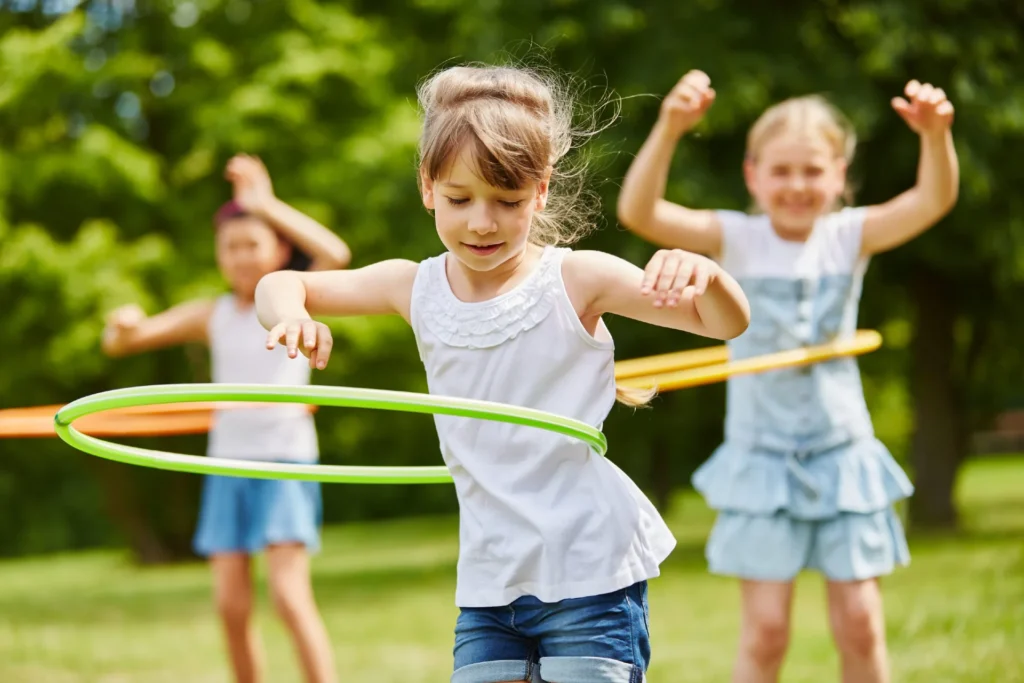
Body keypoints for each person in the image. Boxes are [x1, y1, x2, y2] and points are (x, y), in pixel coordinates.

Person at [254, 63, 750, 683]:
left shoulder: (578, 279)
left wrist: (708, 274)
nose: (481, 222)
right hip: (490, 584)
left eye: (507, 201)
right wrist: (293, 316)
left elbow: (723, 323)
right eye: (460, 199)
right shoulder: (413, 286)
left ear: (540, 192)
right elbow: (278, 282)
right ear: (427, 186)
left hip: (588, 572)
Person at [617, 70, 958, 683]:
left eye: (812, 171)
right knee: (767, 631)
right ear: (753, 175)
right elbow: (639, 211)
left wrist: (936, 137)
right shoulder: (735, 238)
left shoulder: (848, 236)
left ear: (838, 178)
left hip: (841, 453)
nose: (797, 185)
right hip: (761, 459)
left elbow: (932, 201)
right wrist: (670, 128)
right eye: (780, 171)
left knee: (860, 622)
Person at [101, 154, 350, 683]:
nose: (240, 258)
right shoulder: (211, 315)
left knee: (288, 598)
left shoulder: (296, 300)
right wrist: (122, 326)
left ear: (279, 250)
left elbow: (335, 252)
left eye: (252, 244)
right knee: (231, 608)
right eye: (230, 248)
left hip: (285, 463)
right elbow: (126, 341)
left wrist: (265, 204)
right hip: (227, 465)